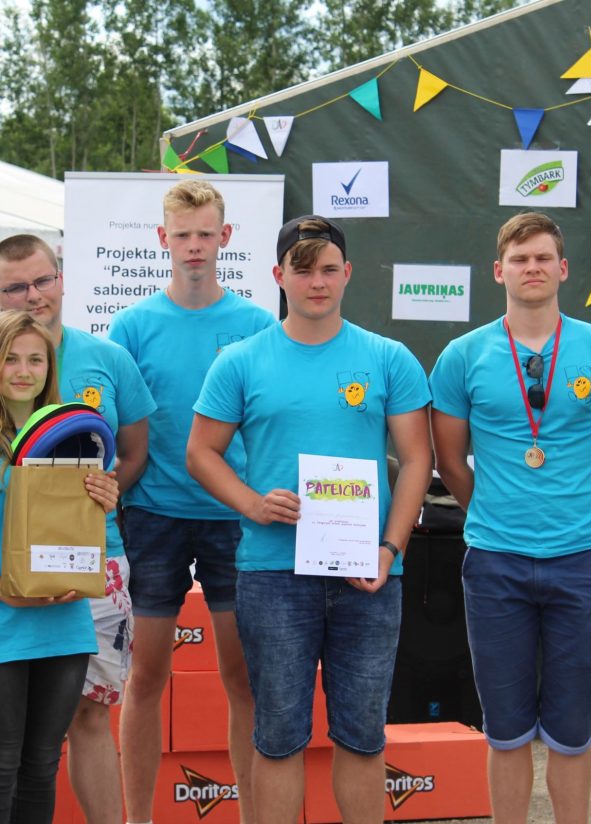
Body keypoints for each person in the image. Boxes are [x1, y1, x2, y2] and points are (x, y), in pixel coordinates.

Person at [188, 215, 432, 822]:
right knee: (277, 736)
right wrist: (251, 503)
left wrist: (390, 550)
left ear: (347, 273)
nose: (317, 282)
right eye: (303, 270)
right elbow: (200, 453)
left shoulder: (389, 358)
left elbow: (417, 458)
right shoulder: (240, 361)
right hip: (273, 574)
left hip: (367, 575)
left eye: (328, 269)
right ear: (278, 276)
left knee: (363, 735)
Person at [430, 212, 591, 824]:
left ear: (563, 269)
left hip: (580, 562)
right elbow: (448, 460)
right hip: (494, 563)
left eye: (543, 257)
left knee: (572, 728)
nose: (532, 268)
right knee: (505, 728)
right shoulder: (462, 356)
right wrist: (492, 514)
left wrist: (584, 515)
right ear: (498, 271)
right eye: (520, 259)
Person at [108, 179, 275, 822]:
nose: (195, 246)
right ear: (162, 240)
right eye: (183, 235)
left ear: (226, 237)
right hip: (154, 517)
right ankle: (138, 819)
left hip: (236, 517)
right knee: (145, 678)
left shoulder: (257, 325)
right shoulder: (132, 326)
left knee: (243, 681)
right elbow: (118, 430)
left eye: (206, 233)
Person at [0, 234, 155, 823]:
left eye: (43, 280)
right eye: (17, 287)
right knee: (16, 734)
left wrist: (101, 497)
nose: (34, 295)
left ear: (61, 279)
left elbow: (133, 452)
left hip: (96, 562)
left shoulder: (109, 358)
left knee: (89, 714)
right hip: (6, 572)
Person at [0, 309, 119, 822]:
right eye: (10, 359)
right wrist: (5, 591)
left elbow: (82, 533)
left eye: (36, 360)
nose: (23, 371)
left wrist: (106, 499)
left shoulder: (77, 443)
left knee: (41, 766)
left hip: (64, 624)